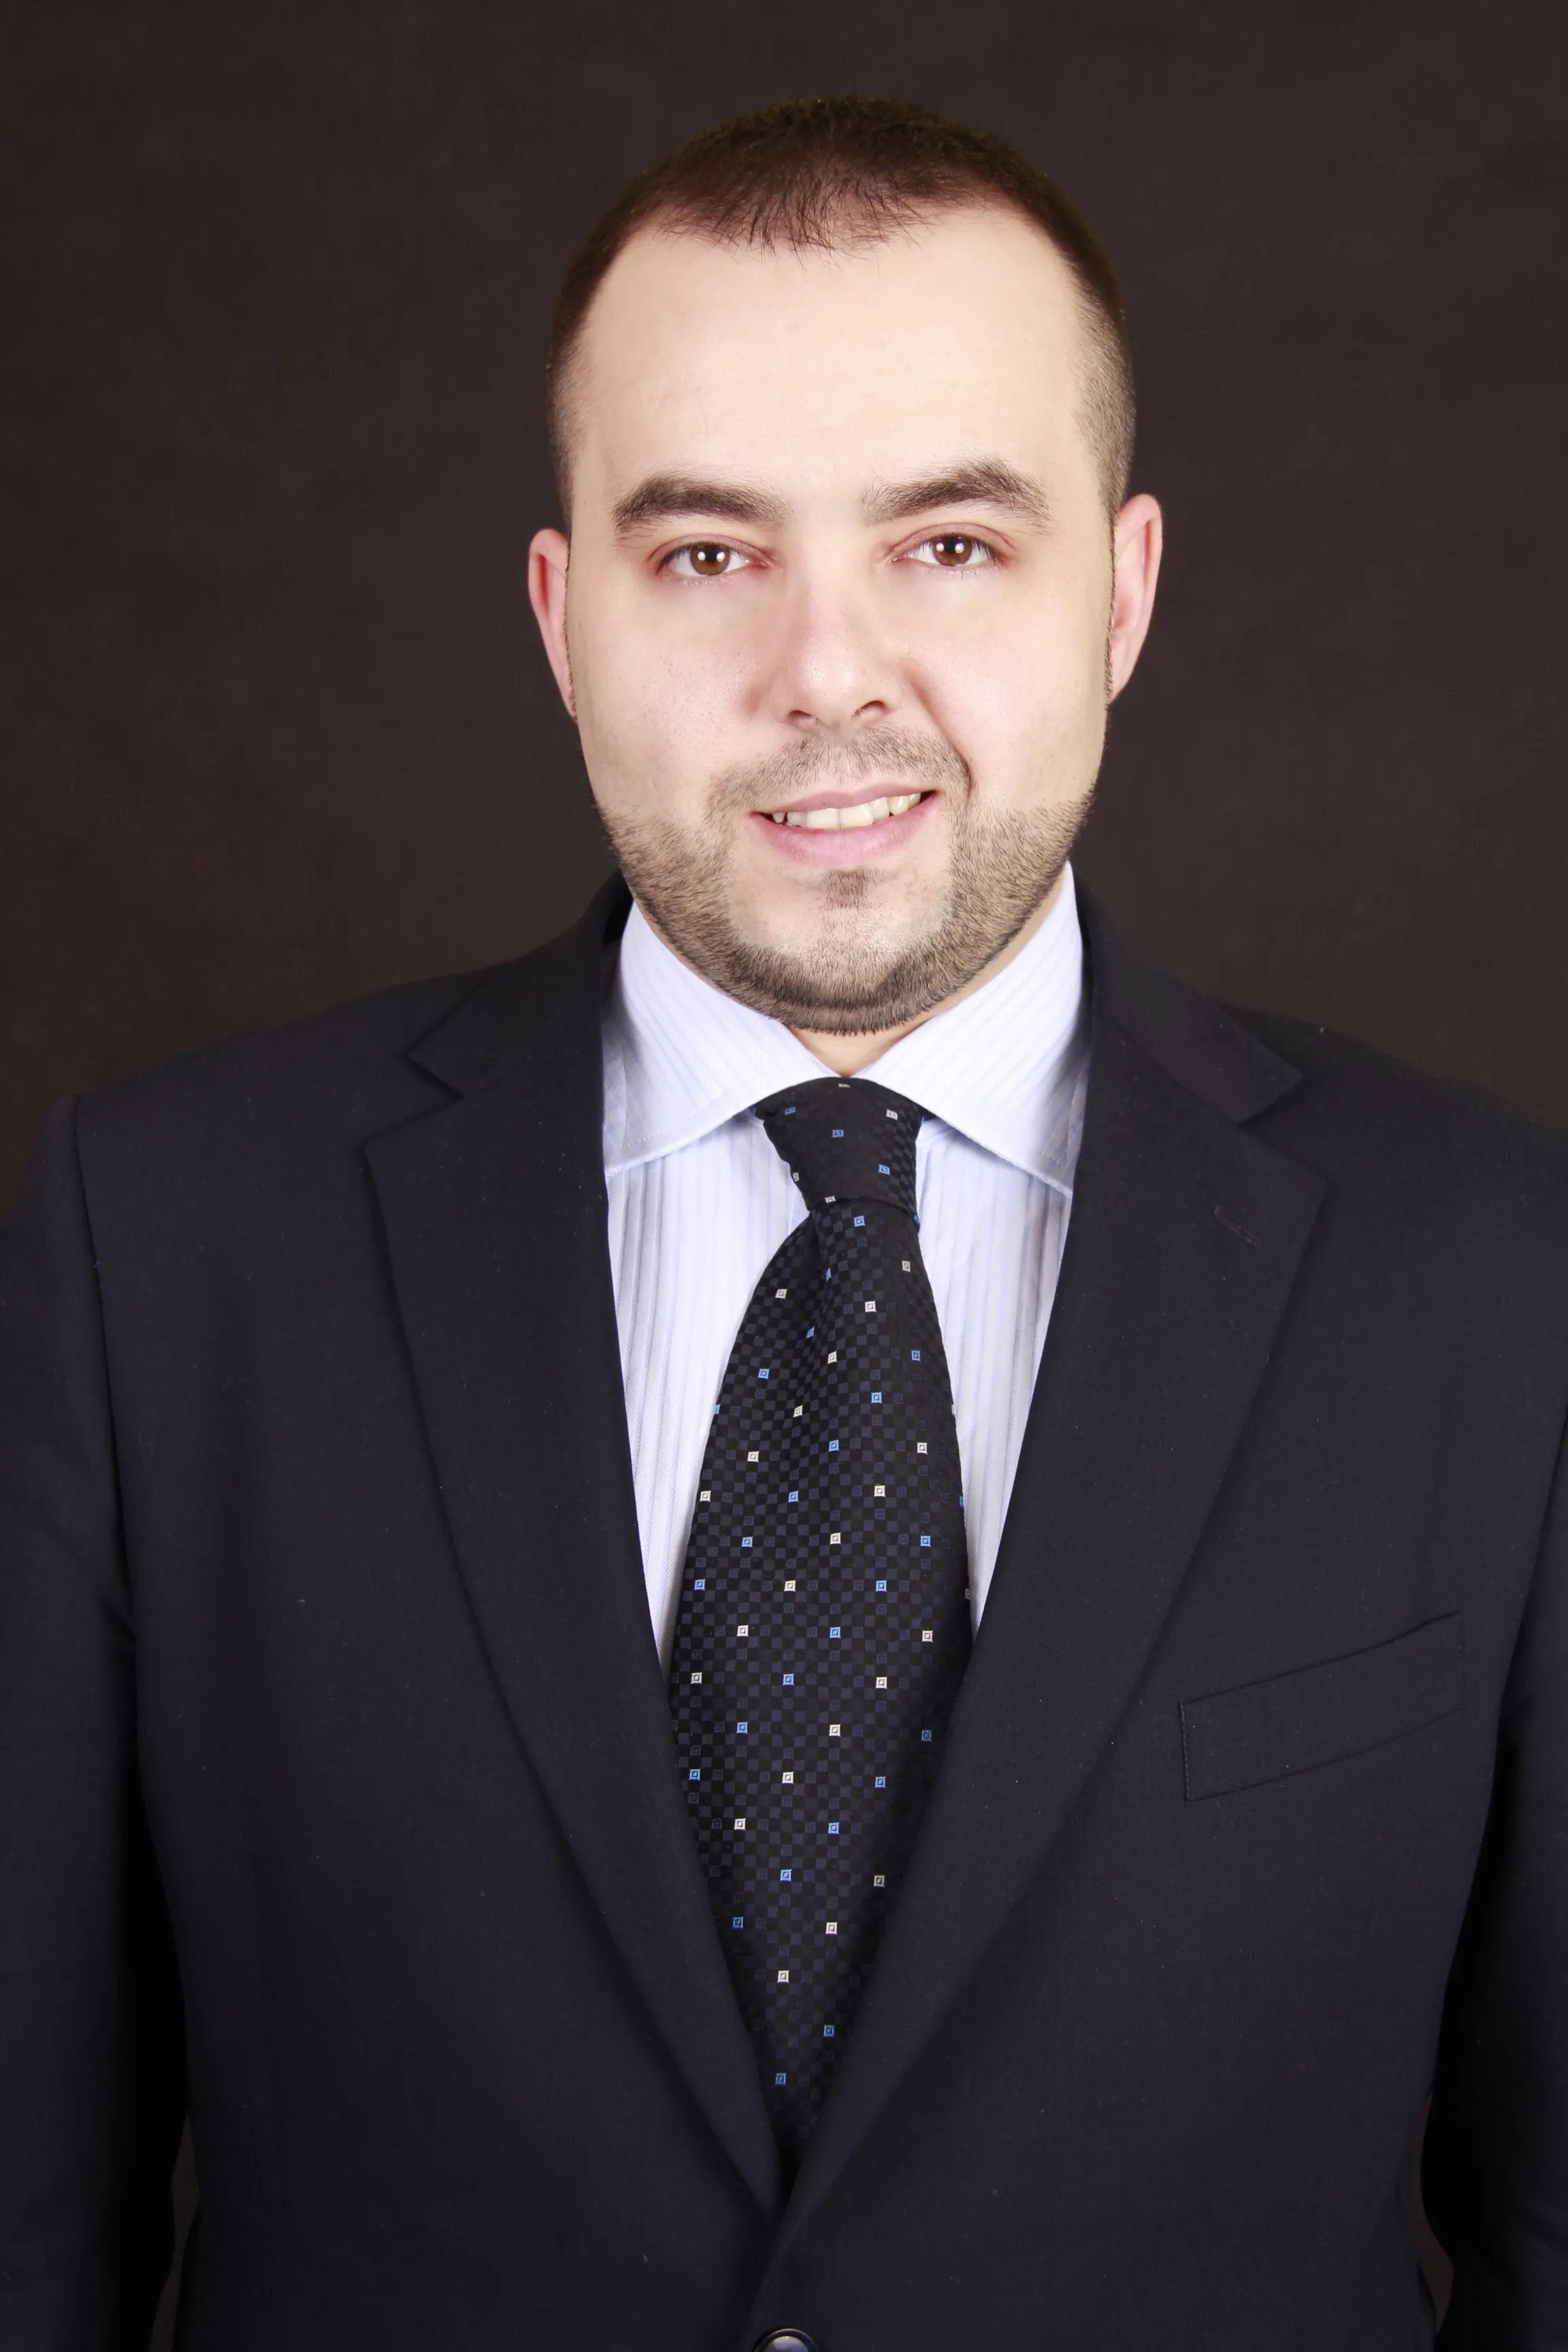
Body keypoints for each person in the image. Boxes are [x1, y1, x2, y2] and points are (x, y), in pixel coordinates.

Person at [1, 90, 1564, 2352]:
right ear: (564, 616)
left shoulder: (1503, 1285)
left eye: (951, 543)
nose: (829, 673)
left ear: (1123, 592)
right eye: (710, 556)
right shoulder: (154, 1254)